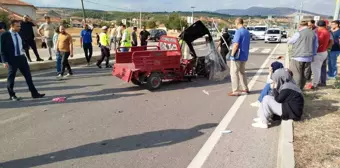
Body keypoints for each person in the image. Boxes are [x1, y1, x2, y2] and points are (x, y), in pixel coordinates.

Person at [0, 20, 45, 101]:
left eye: (19, 26)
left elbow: (23, 43)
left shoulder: (20, 33)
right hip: (12, 59)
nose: (19, 28)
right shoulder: (5, 35)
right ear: (12, 26)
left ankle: (34, 93)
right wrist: (4, 61)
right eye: (17, 26)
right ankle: (12, 95)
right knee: (11, 78)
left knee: (28, 76)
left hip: (22, 58)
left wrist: (24, 49)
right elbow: (2, 49)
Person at [288, 20, 318, 90]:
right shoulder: (314, 33)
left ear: (300, 26)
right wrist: (313, 54)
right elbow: (316, 45)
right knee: (305, 74)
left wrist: (289, 38)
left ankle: (297, 89)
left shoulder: (298, 33)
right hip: (309, 57)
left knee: (296, 74)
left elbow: (290, 41)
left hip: (298, 56)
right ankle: (301, 88)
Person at [228, 18, 251, 96]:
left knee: (234, 73)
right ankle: (245, 88)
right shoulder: (247, 32)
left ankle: (235, 90)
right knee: (242, 72)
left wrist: (232, 55)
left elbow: (236, 45)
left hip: (237, 56)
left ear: (237, 23)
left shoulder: (238, 32)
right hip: (244, 55)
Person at [306, 20, 331, 89]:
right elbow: (330, 41)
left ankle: (314, 84)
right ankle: (318, 82)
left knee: (315, 69)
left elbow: (316, 42)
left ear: (317, 25)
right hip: (324, 52)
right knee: (319, 68)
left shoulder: (318, 32)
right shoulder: (327, 32)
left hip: (318, 52)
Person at [320, 20, 334, 87]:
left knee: (322, 66)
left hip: (324, 51)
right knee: (322, 67)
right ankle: (322, 81)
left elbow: (331, 41)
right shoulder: (323, 31)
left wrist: (327, 49)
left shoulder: (328, 32)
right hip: (323, 51)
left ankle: (322, 81)